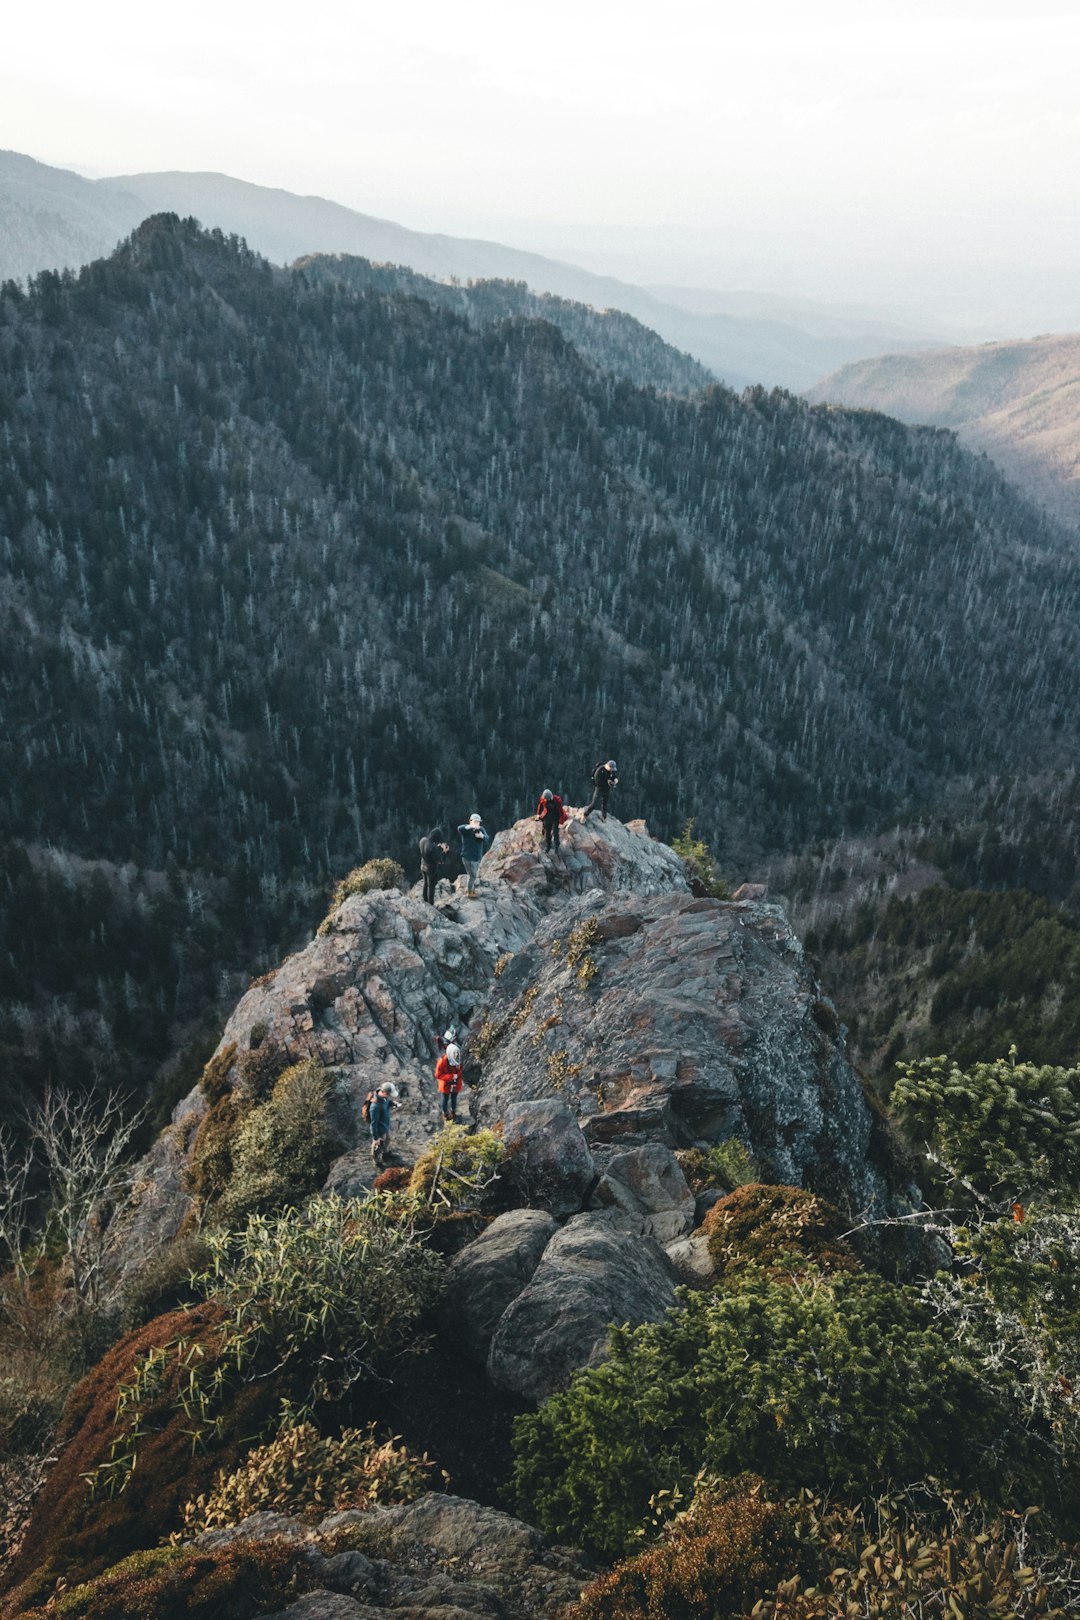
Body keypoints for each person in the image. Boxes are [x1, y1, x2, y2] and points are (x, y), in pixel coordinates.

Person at [457, 812, 490, 896]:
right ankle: (470, 892)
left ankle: (471, 889)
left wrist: (482, 836)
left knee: (473, 875)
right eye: (475, 821)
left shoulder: (481, 829)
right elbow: (459, 828)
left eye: (478, 822)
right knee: (473, 876)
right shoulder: (466, 830)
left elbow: (487, 838)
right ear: (470, 821)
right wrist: (471, 826)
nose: (477, 824)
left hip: (476, 857)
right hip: (466, 856)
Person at [368, 1083, 398, 1168]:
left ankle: (385, 1153)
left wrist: (392, 1103)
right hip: (379, 1129)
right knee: (377, 1146)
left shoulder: (384, 1098)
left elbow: (387, 1102)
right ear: (384, 1092)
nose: (389, 1096)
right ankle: (377, 1161)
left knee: (387, 1139)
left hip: (385, 1125)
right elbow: (373, 1123)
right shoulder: (375, 1106)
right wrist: (375, 1137)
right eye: (388, 1094)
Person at [418, 827, 449, 905]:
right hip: (430, 869)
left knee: (425, 883)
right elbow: (440, 861)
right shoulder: (432, 848)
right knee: (431, 886)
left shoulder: (423, 840)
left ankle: (424, 900)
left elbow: (426, 852)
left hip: (422, 865)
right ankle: (431, 904)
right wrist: (445, 852)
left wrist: (436, 847)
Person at [435, 1040, 463, 1122]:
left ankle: (453, 1112)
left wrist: (457, 1075)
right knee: (445, 1099)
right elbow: (438, 1075)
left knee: (454, 1099)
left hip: (455, 1084)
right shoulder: (442, 1062)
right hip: (446, 1085)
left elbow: (460, 1069)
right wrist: (450, 1077)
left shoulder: (458, 1060)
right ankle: (445, 1114)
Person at [536, 788, 568, 853]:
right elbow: (540, 806)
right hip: (547, 818)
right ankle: (548, 846)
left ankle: (557, 846)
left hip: (555, 818)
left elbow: (560, 810)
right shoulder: (543, 799)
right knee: (547, 833)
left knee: (555, 832)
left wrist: (562, 819)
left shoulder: (557, 800)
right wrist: (538, 814)